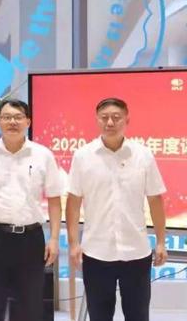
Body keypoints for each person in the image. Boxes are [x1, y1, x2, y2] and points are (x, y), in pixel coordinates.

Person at [66, 98, 167, 321]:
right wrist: (73, 244)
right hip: (96, 252)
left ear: (127, 120)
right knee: (99, 316)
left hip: (136, 252)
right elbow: (73, 202)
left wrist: (161, 241)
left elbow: (155, 200)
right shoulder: (83, 156)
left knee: (138, 315)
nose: (110, 122)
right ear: (97, 120)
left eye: (116, 117)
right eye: (104, 117)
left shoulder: (143, 155)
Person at [0, 98, 63, 321]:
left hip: (30, 238)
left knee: (30, 305)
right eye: (7, 117)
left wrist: (53, 239)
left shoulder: (43, 155)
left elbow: (54, 200)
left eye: (18, 117)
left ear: (28, 121)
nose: (12, 122)